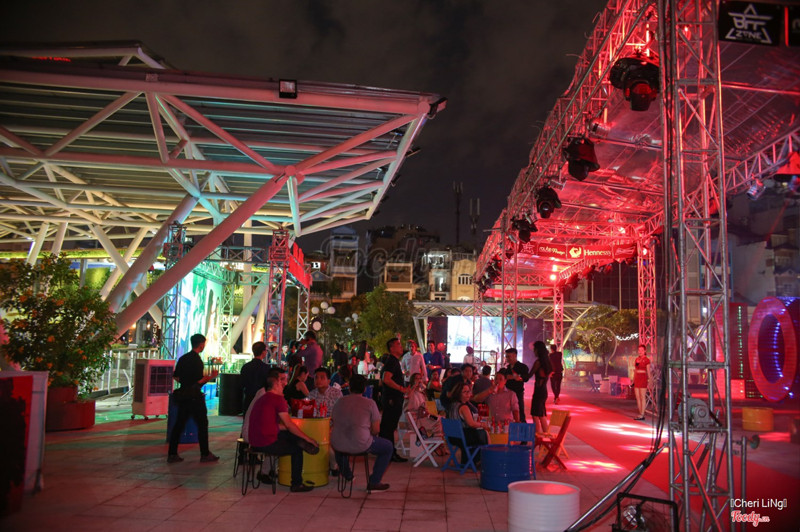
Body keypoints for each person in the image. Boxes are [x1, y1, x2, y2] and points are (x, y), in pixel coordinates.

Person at [247, 373, 319, 492]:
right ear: (275, 384)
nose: (285, 384)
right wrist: (308, 438)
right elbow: (289, 425)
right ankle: (296, 483)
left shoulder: (262, 398)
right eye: (282, 382)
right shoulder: (277, 399)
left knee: (290, 434)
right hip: (266, 442)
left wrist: (292, 431)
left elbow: (270, 425)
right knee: (297, 449)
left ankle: (303, 443)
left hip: (254, 441)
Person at [330, 374, 393, 491]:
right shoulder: (370, 403)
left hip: (337, 442)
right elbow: (376, 430)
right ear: (364, 389)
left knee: (340, 445)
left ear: (349, 387)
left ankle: (347, 474)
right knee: (388, 447)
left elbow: (334, 421)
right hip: (360, 443)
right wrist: (367, 433)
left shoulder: (339, 402)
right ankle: (374, 481)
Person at [168, 333, 219, 463]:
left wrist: (186, 383)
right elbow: (199, 381)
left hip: (183, 396)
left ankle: (172, 453)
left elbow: (176, 376)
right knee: (202, 424)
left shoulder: (183, 358)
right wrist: (211, 376)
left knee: (179, 425)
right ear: (201, 345)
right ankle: (205, 453)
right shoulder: (197, 361)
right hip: (195, 397)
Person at [380, 337, 410, 463]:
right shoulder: (392, 361)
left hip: (392, 398)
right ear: (392, 348)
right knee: (388, 427)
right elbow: (386, 379)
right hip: (392, 399)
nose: (401, 346)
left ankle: (387, 451)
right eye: (398, 344)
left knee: (388, 426)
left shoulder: (393, 361)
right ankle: (389, 452)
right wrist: (401, 388)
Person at [447, 381, 489, 464]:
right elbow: (471, 424)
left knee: (480, 433)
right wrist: (482, 425)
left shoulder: (452, 405)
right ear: (458, 393)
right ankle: (485, 459)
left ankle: (469, 460)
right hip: (462, 438)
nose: (468, 394)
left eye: (468, 391)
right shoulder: (463, 407)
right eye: (465, 392)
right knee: (484, 433)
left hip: (452, 437)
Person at [240, 341, 270, 415]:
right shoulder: (266, 368)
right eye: (266, 350)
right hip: (261, 399)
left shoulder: (245, 367)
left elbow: (242, 384)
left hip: (248, 398)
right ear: (263, 352)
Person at [529, 341, 552, 433]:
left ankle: (538, 436)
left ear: (538, 350)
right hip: (543, 391)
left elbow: (529, 375)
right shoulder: (547, 362)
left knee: (535, 415)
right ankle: (546, 435)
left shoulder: (538, 362)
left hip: (538, 391)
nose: (533, 351)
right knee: (541, 415)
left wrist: (518, 377)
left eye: (534, 349)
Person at [504, 347, 530, 424]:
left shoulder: (522, 367)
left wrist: (516, 377)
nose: (508, 358)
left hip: (517, 392)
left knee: (519, 411)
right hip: (507, 393)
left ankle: (522, 426)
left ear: (515, 355)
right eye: (506, 356)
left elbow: (526, 378)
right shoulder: (507, 368)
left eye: (509, 356)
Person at [633, 345, 651, 420]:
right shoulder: (637, 359)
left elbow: (648, 371)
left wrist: (650, 380)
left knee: (642, 396)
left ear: (645, 351)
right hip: (637, 378)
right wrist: (633, 380)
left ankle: (642, 414)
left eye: (641, 350)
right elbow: (635, 370)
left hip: (643, 378)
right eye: (639, 350)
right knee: (637, 397)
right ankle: (640, 413)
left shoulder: (647, 360)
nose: (640, 352)